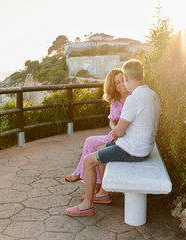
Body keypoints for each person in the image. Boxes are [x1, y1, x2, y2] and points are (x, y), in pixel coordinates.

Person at [65, 59, 160, 216]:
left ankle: (86, 205)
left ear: (127, 78)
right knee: (100, 149)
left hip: (132, 150)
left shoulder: (133, 98)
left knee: (88, 161)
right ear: (143, 75)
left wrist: (115, 132)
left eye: (124, 80)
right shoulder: (152, 95)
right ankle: (102, 193)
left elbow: (118, 132)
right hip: (144, 147)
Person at [65, 68, 129, 195]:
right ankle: (93, 182)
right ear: (113, 86)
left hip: (124, 137)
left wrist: (117, 130)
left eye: (123, 80)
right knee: (91, 144)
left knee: (90, 142)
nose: (122, 84)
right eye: (118, 82)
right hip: (115, 134)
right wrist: (114, 128)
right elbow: (111, 120)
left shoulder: (132, 98)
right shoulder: (114, 101)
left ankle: (85, 178)